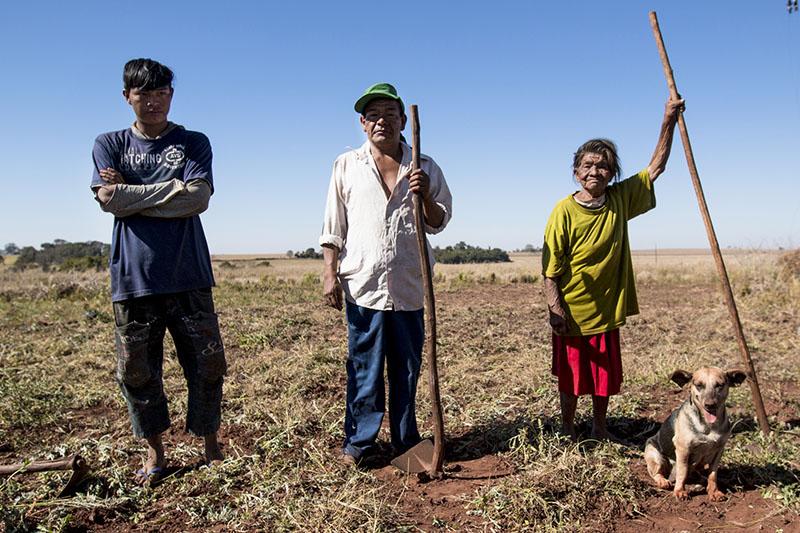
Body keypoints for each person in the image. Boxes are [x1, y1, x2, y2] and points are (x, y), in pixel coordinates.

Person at [90, 58, 226, 485]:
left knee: (206, 367)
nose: (153, 102)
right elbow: (107, 199)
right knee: (137, 372)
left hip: (189, 275)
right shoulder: (108, 143)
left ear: (171, 94)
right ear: (126, 96)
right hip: (134, 281)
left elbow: (197, 199)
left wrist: (129, 191)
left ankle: (211, 447)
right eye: (143, 94)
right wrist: (170, 186)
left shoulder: (193, 142)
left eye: (161, 92)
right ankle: (155, 454)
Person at [320, 83, 453, 465]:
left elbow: (438, 221)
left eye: (390, 115)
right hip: (364, 285)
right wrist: (330, 272)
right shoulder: (346, 165)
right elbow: (333, 227)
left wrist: (425, 193)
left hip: (411, 287)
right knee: (365, 368)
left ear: (401, 120)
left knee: (407, 369)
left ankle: (406, 442)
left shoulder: (424, 167)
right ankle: (360, 444)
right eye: (373, 115)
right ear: (363, 124)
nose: (382, 122)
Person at [542, 97, 684, 441]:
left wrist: (668, 121)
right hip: (572, 309)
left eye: (603, 166)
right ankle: (567, 428)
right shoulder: (563, 211)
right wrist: (555, 308)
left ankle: (600, 427)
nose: (595, 171)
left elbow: (655, 169)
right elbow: (549, 268)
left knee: (602, 375)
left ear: (613, 173)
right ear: (576, 171)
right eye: (588, 165)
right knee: (572, 376)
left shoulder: (619, 200)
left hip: (607, 307)